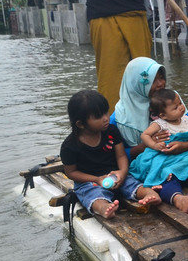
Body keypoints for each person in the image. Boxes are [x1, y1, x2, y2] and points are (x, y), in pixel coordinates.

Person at [60, 89, 160, 219]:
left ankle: (149, 195)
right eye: (98, 117)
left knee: (133, 184)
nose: (106, 118)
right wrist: (96, 179)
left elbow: (121, 156)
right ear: (80, 124)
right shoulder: (70, 146)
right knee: (92, 194)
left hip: (116, 175)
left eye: (106, 112)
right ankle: (103, 208)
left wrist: (122, 173)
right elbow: (71, 173)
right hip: (90, 181)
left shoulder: (111, 131)